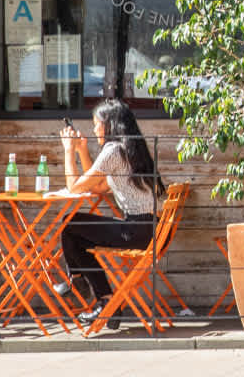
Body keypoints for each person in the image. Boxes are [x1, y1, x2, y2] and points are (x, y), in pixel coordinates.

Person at [53, 98, 164, 327]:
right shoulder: (131, 148)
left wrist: (68, 150)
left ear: (109, 124)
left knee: (70, 225)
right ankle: (90, 290)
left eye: (97, 124)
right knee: (75, 231)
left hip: (135, 231)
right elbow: (100, 186)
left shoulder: (113, 150)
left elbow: (75, 187)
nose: (94, 129)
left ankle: (87, 288)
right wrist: (82, 150)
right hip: (149, 229)